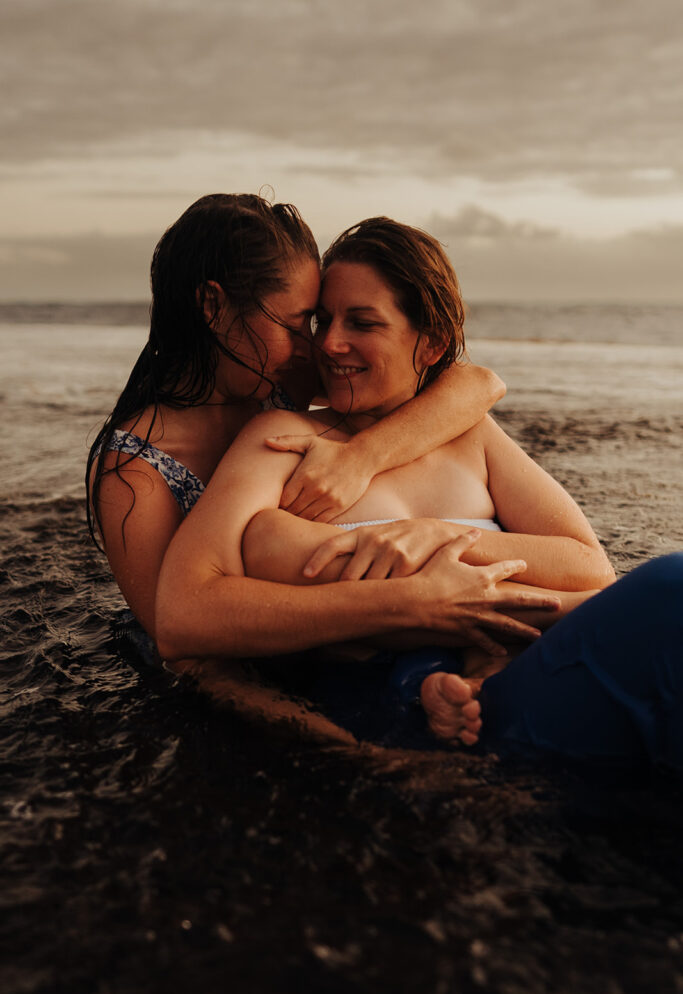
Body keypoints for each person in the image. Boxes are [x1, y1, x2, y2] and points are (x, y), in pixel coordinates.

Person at [156, 216, 683, 773]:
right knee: (670, 591)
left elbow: (589, 567)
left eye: (362, 323)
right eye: (322, 320)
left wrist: (439, 534)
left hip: (518, 668)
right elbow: (185, 614)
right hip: (434, 711)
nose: (330, 344)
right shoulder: (283, 440)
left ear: (428, 343)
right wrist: (427, 601)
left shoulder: (472, 436)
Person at [87, 194, 551, 661]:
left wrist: (363, 456)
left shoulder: (281, 377)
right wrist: (335, 734)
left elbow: (477, 384)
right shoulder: (134, 471)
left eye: (310, 321)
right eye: (296, 324)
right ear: (213, 305)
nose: (318, 345)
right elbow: (186, 651)